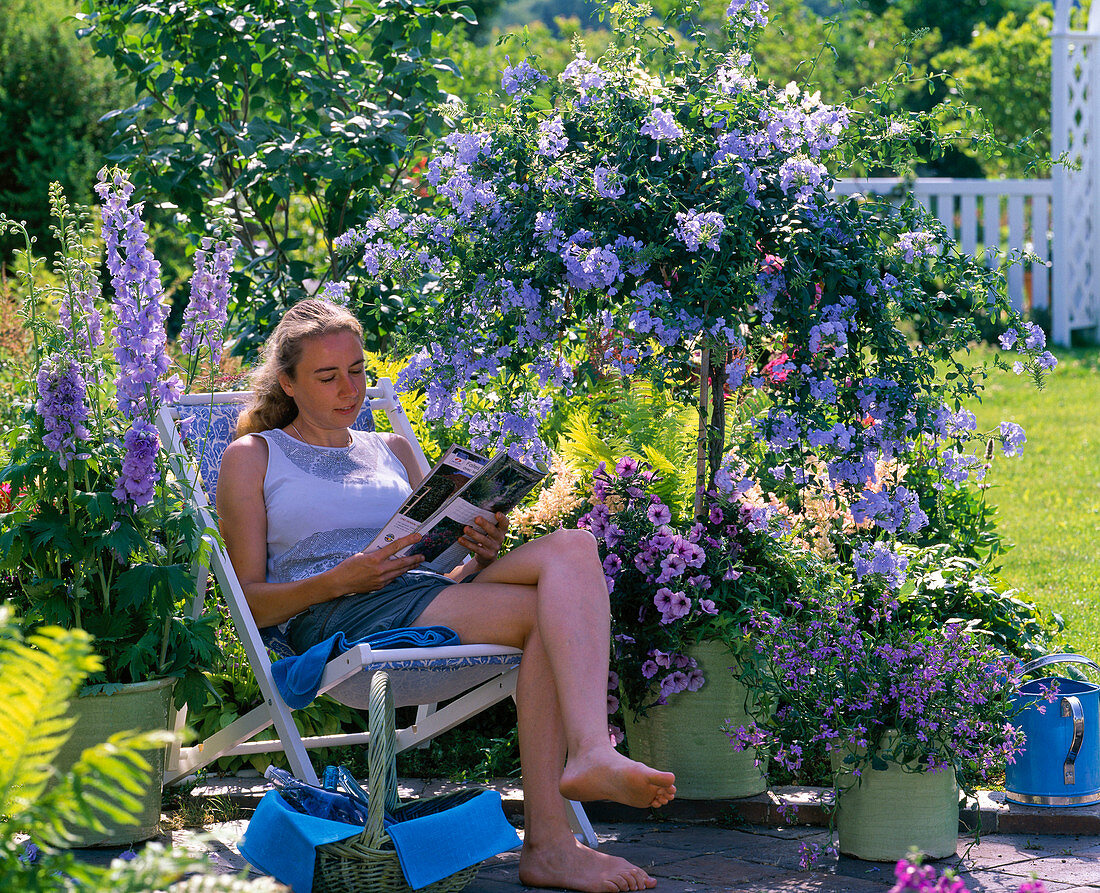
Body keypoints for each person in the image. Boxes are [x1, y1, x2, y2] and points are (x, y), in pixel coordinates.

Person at [217, 299, 676, 893]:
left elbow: (437, 563)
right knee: (547, 616)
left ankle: (587, 761)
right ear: (288, 382)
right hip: (335, 614)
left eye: (356, 370)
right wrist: (341, 579)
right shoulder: (254, 457)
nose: (348, 389)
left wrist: (479, 550)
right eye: (327, 376)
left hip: (418, 594)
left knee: (572, 548)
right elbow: (251, 604)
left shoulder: (393, 450)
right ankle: (553, 836)